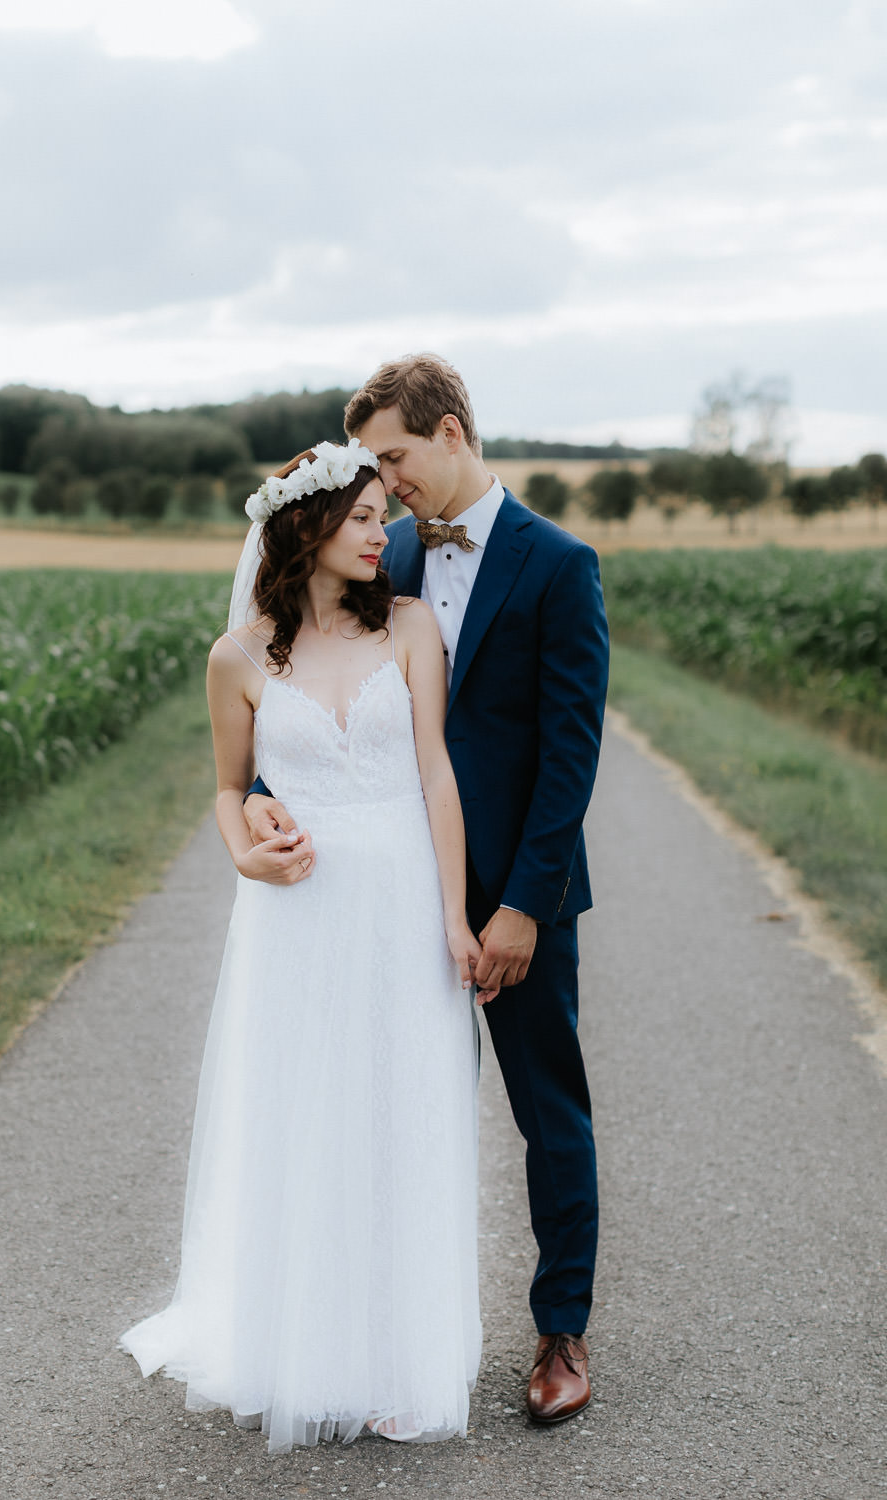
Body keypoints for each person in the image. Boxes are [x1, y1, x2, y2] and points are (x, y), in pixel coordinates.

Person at [245, 357, 609, 1425]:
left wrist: (521, 907)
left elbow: (568, 755)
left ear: (450, 434)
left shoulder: (558, 564)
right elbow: (308, 684)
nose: (386, 480)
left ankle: (561, 1332)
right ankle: (365, 1337)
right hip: (385, 893)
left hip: (514, 895)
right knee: (372, 1108)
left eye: (395, 457)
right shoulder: (376, 552)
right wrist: (264, 794)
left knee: (550, 1112)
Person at [121, 439, 487, 1454]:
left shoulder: (409, 630)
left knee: (399, 1111)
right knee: (309, 1113)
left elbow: (437, 779)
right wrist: (247, 855)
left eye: (385, 515)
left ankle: (394, 1356)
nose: (386, 533)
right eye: (367, 516)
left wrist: (454, 918)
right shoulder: (236, 658)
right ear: (305, 527)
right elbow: (230, 791)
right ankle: (306, 1346)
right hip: (297, 917)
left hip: (403, 899)